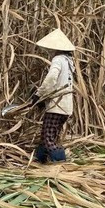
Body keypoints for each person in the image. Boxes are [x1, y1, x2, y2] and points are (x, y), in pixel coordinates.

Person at [31, 29, 75, 163]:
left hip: (57, 106)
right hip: (66, 106)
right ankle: (40, 160)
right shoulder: (69, 61)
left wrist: (39, 95)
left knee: (48, 137)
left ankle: (61, 163)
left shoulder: (58, 59)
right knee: (49, 135)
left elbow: (51, 78)